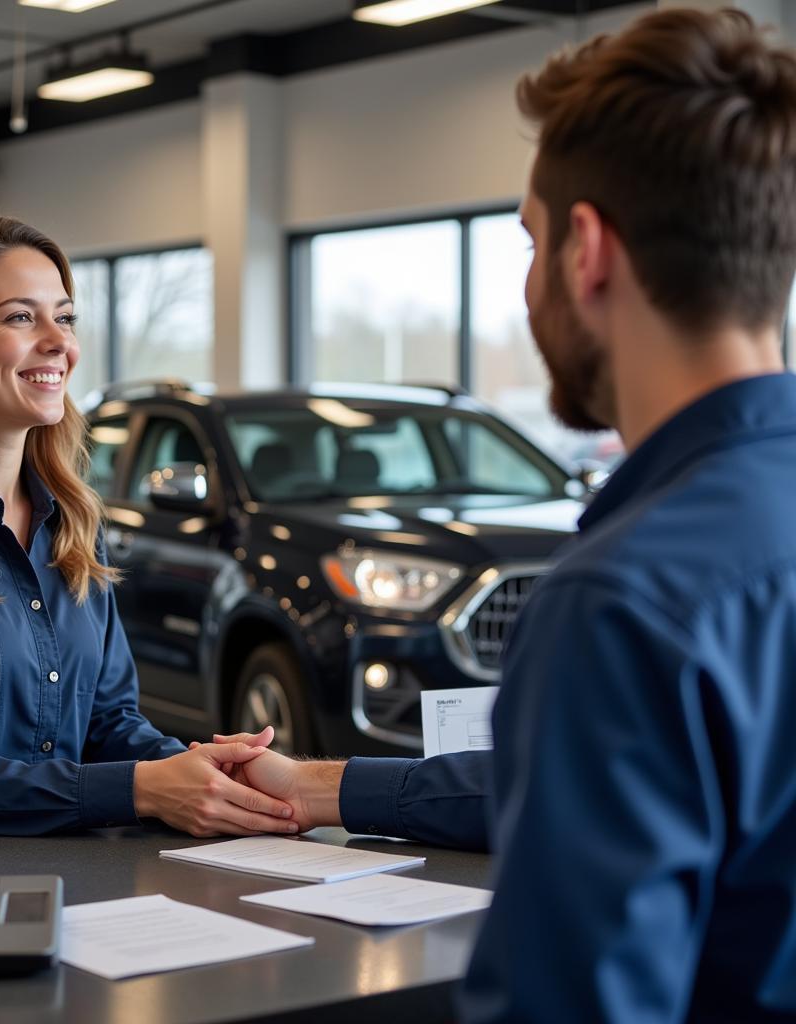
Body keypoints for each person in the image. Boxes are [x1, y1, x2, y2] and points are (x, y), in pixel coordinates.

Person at [213, 8, 796, 1021]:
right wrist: (324, 786)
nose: (526, 289)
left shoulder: (623, 599)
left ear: (586, 250)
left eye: (526, 241)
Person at [0, 214, 299, 844]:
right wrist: (144, 789)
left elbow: (108, 723)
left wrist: (202, 770)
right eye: (20, 317)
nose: (58, 343)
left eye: (64, 318)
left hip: (70, 876)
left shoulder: (73, 520)